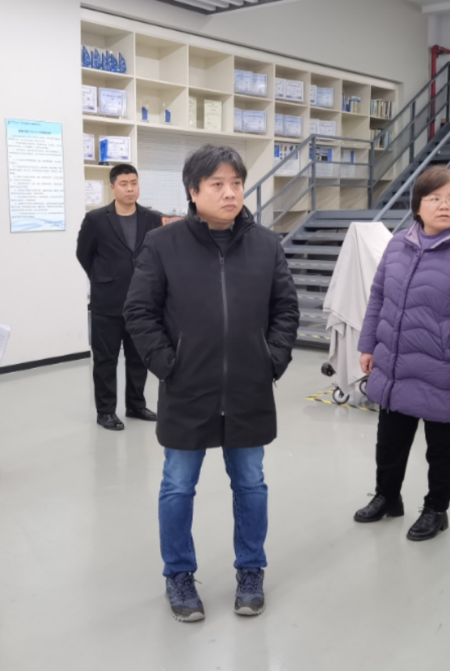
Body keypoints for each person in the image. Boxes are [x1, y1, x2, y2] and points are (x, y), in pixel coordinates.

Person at [123, 145, 300, 623]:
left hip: (248, 388)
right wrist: (169, 365)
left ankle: (251, 570)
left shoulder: (266, 244)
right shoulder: (163, 244)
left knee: (251, 484)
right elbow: (139, 311)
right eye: (217, 184)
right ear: (193, 191)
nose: (230, 193)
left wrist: (271, 361)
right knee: (178, 486)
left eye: (236, 183)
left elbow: (285, 309)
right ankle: (178, 575)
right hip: (187, 388)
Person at [354, 167, 450, 541]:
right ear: (418, 205)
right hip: (396, 365)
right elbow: (378, 298)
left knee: (443, 449)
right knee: (389, 443)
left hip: (445, 370)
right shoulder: (398, 245)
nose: (444, 205)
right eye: (435, 198)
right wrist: (368, 345)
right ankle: (387, 497)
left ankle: (436, 509)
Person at [76, 164, 162, 431]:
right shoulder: (96, 219)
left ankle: (136, 405)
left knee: (139, 357)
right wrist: (103, 277)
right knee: (105, 359)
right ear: (112, 187)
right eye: (124, 184)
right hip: (107, 302)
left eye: (134, 183)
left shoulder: (152, 218)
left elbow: (156, 254)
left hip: (142, 303)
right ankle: (105, 411)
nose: (130, 189)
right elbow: (83, 253)